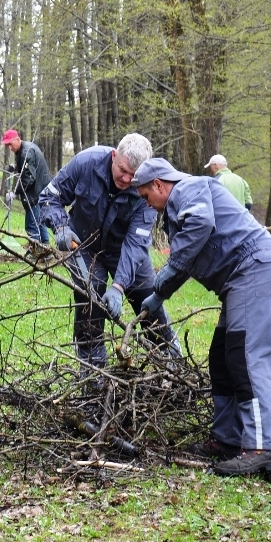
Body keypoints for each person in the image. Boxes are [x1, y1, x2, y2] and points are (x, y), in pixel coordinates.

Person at [132, 157, 271, 476]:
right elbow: (191, 252)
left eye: (147, 197)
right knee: (222, 356)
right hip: (239, 279)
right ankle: (228, 439)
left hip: (254, 270)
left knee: (246, 356)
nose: (150, 206)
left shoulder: (190, 188)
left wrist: (163, 281)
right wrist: (161, 293)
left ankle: (263, 447)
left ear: (159, 185)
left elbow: (200, 227)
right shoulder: (181, 200)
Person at [37, 133, 181, 369]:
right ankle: (93, 369)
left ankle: (171, 363)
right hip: (83, 245)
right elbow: (49, 197)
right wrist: (60, 226)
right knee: (90, 296)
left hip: (126, 249)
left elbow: (136, 244)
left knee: (149, 301)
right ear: (114, 156)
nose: (126, 179)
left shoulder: (147, 188)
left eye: (133, 176)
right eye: (122, 169)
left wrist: (119, 286)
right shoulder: (85, 163)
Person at [0, 129, 52, 245]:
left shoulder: (26, 153)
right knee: (39, 221)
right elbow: (27, 167)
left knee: (31, 225)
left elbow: (29, 178)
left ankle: (37, 252)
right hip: (42, 190)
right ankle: (46, 250)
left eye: (10, 144)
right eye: (7, 145)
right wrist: (15, 167)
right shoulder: (25, 148)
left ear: (17, 139)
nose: (9, 147)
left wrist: (15, 192)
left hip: (36, 192)